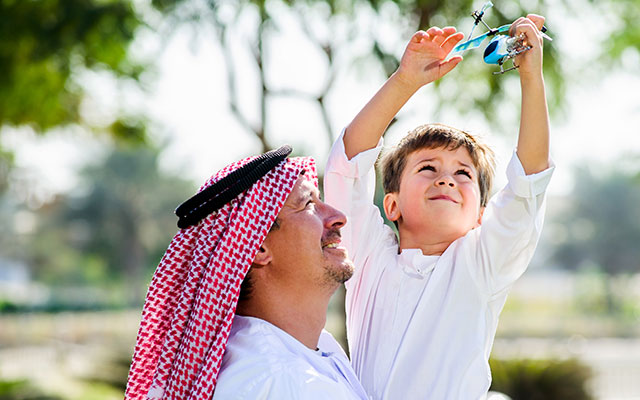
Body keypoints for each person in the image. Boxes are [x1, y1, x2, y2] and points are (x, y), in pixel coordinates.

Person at [323, 16, 554, 400]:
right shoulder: (367, 258)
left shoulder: (482, 261)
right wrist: (406, 80)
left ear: (482, 214)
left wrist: (531, 77)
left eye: (463, 174)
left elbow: (529, 183)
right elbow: (346, 165)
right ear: (392, 204)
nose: (446, 179)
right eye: (427, 168)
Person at [124, 146, 368, 400]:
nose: (338, 217)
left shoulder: (307, 351)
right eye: (308, 204)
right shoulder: (279, 381)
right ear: (258, 247)